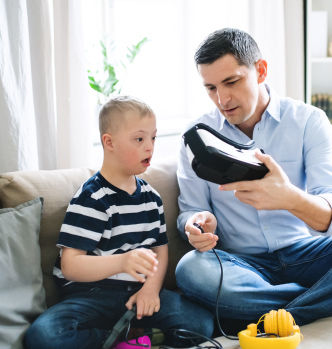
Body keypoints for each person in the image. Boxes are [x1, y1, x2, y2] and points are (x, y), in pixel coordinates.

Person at [175, 28, 332, 332]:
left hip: (310, 256)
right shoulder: (197, 136)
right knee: (191, 269)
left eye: (231, 82)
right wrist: (195, 224)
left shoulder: (308, 121)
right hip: (242, 265)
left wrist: (289, 198)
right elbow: (190, 210)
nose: (222, 99)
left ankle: (275, 312)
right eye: (211, 88)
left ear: (261, 70)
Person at [24, 95, 213, 349]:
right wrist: (122, 261)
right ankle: (120, 338)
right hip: (92, 296)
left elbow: (160, 251)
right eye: (139, 139)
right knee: (44, 336)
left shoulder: (152, 198)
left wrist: (151, 290)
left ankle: (132, 334)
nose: (150, 147)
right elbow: (70, 266)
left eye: (153, 138)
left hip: (138, 293)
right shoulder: (92, 197)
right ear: (109, 142)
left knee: (201, 324)